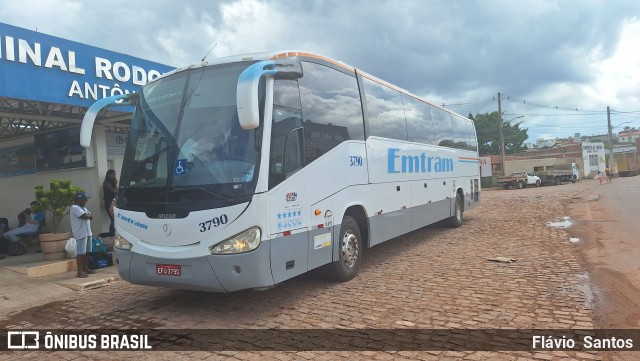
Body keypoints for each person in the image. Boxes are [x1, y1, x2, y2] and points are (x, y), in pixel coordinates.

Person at [70, 192, 96, 278]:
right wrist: (88, 216)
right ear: (78, 199)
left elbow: (91, 216)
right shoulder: (74, 207)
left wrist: (89, 216)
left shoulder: (84, 207)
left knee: (87, 252)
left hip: (88, 232)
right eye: (84, 199)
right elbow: (85, 216)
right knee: (80, 253)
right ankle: (79, 272)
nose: (86, 201)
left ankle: (86, 268)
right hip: (80, 233)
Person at [101, 169, 118, 237]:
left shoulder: (111, 182)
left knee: (114, 218)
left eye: (114, 174)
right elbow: (114, 191)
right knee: (113, 218)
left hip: (113, 202)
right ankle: (111, 233)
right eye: (112, 174)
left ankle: (112, 232)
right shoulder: (106, 183)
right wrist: (116, 184)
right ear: (108, 175)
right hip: (108, 202)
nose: (114, 176)